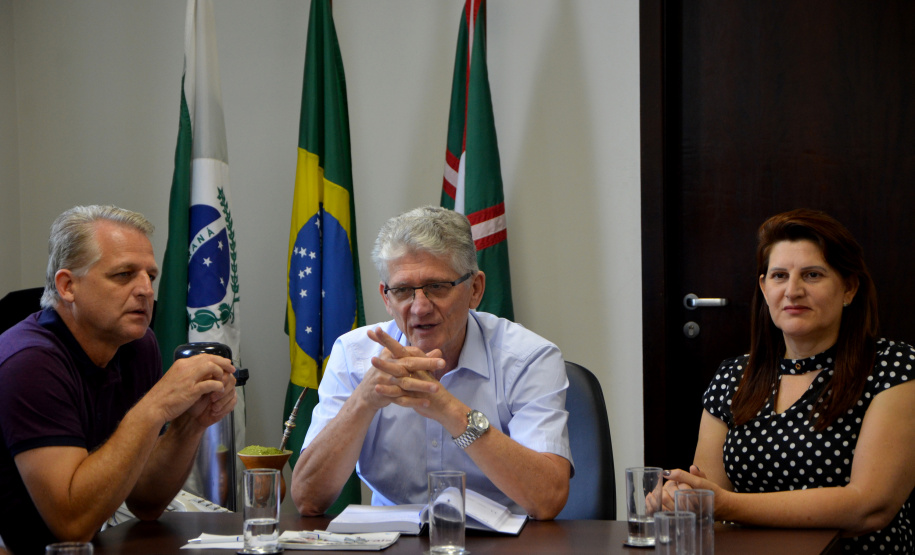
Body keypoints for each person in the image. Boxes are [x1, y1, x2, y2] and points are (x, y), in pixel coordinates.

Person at [290, 206, 572, 519]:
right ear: (386, 297)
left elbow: (548, 499)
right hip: (392, 544)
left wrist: (448, 409)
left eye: (437, 287)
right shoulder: (354, 356)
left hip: (502, 545)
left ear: (475, 289)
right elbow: (308, 498)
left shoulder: (528, 358)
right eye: (403, 291)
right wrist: (363, 401)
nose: (420, 307)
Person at [662, 209, 915, 552]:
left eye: (812, 275)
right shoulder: (733, 376)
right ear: (765, 288)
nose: (793, 291)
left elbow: (869, 507)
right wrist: (681, 500)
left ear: (849, 288)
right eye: (779, 276)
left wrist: (726, 505)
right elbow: (711, 510)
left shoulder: (893, 367)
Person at [0, 205, 237, 554]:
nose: (146, 290)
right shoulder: (29, 361)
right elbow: (72, 525)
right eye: (124, 275)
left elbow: (146, 500)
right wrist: (157, 403)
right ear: (67, 286)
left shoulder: (138, 345)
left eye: (150, 276)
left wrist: (189, 424)